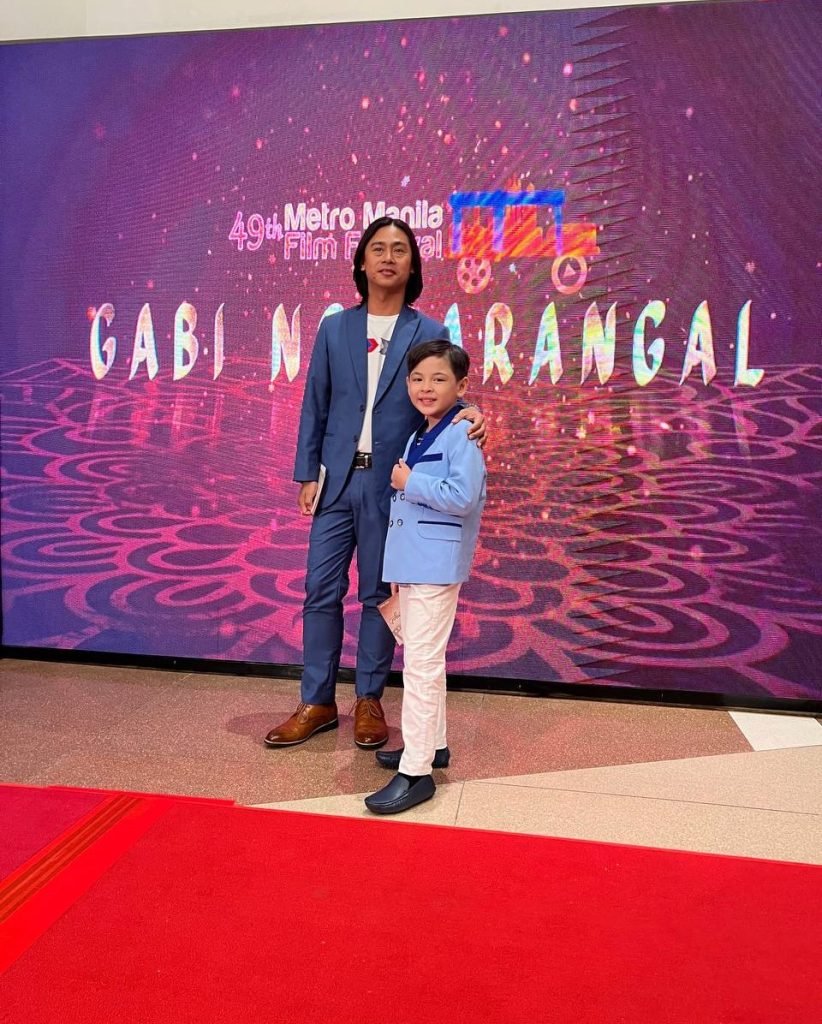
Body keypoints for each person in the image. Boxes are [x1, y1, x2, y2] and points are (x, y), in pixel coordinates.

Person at [264, 218, 486, 750]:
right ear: (361, 263)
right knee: (320, 590)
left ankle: (369, 699)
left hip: (394, 486)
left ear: (413, 265)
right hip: (336, 481)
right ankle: (316, 701)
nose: (388, 257)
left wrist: (473, 411)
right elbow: (315, 403)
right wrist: (306, 472)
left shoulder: (429, 329)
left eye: (400, 250)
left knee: (378, 594)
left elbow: (443, 393)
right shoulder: (335, 328)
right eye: (378, 249)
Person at [365, 339, 486, 814]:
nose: (425, 387)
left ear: (461, 384)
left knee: (420, 666)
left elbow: (463, 497)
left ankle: (416, 773)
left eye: (438, 378)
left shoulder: (463, 431)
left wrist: (409, 482)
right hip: (415, 563)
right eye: (417, 378)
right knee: (424, 661)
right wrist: (397, 568)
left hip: (436, 565)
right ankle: (432, 746)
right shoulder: (422, 431)